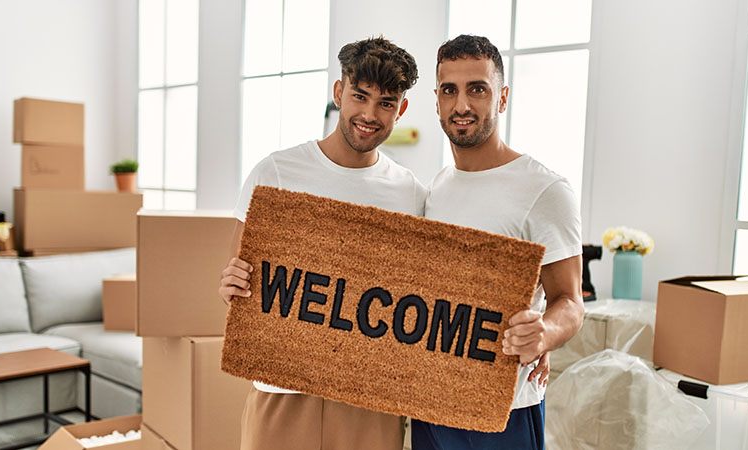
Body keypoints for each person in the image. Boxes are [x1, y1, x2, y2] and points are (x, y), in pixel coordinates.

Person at [218, 37, 425, 450]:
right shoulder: (275, 172)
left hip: (369, 399)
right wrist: (231, 287)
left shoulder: (411, 194)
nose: (369, 114)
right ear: (338, 92)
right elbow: (241, 281)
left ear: (401, 109)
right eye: (359, 96)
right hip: (282, 393)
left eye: (385, 103)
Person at [412, 34, 584, 450]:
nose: (462, 105)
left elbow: (570, 302)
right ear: (436, 101)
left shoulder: (544, 190)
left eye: (478, 89)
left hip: (503, 410)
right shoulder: (435, 188)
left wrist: (542, 334)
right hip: (429, 403)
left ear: (502, 98)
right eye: (449, 90)